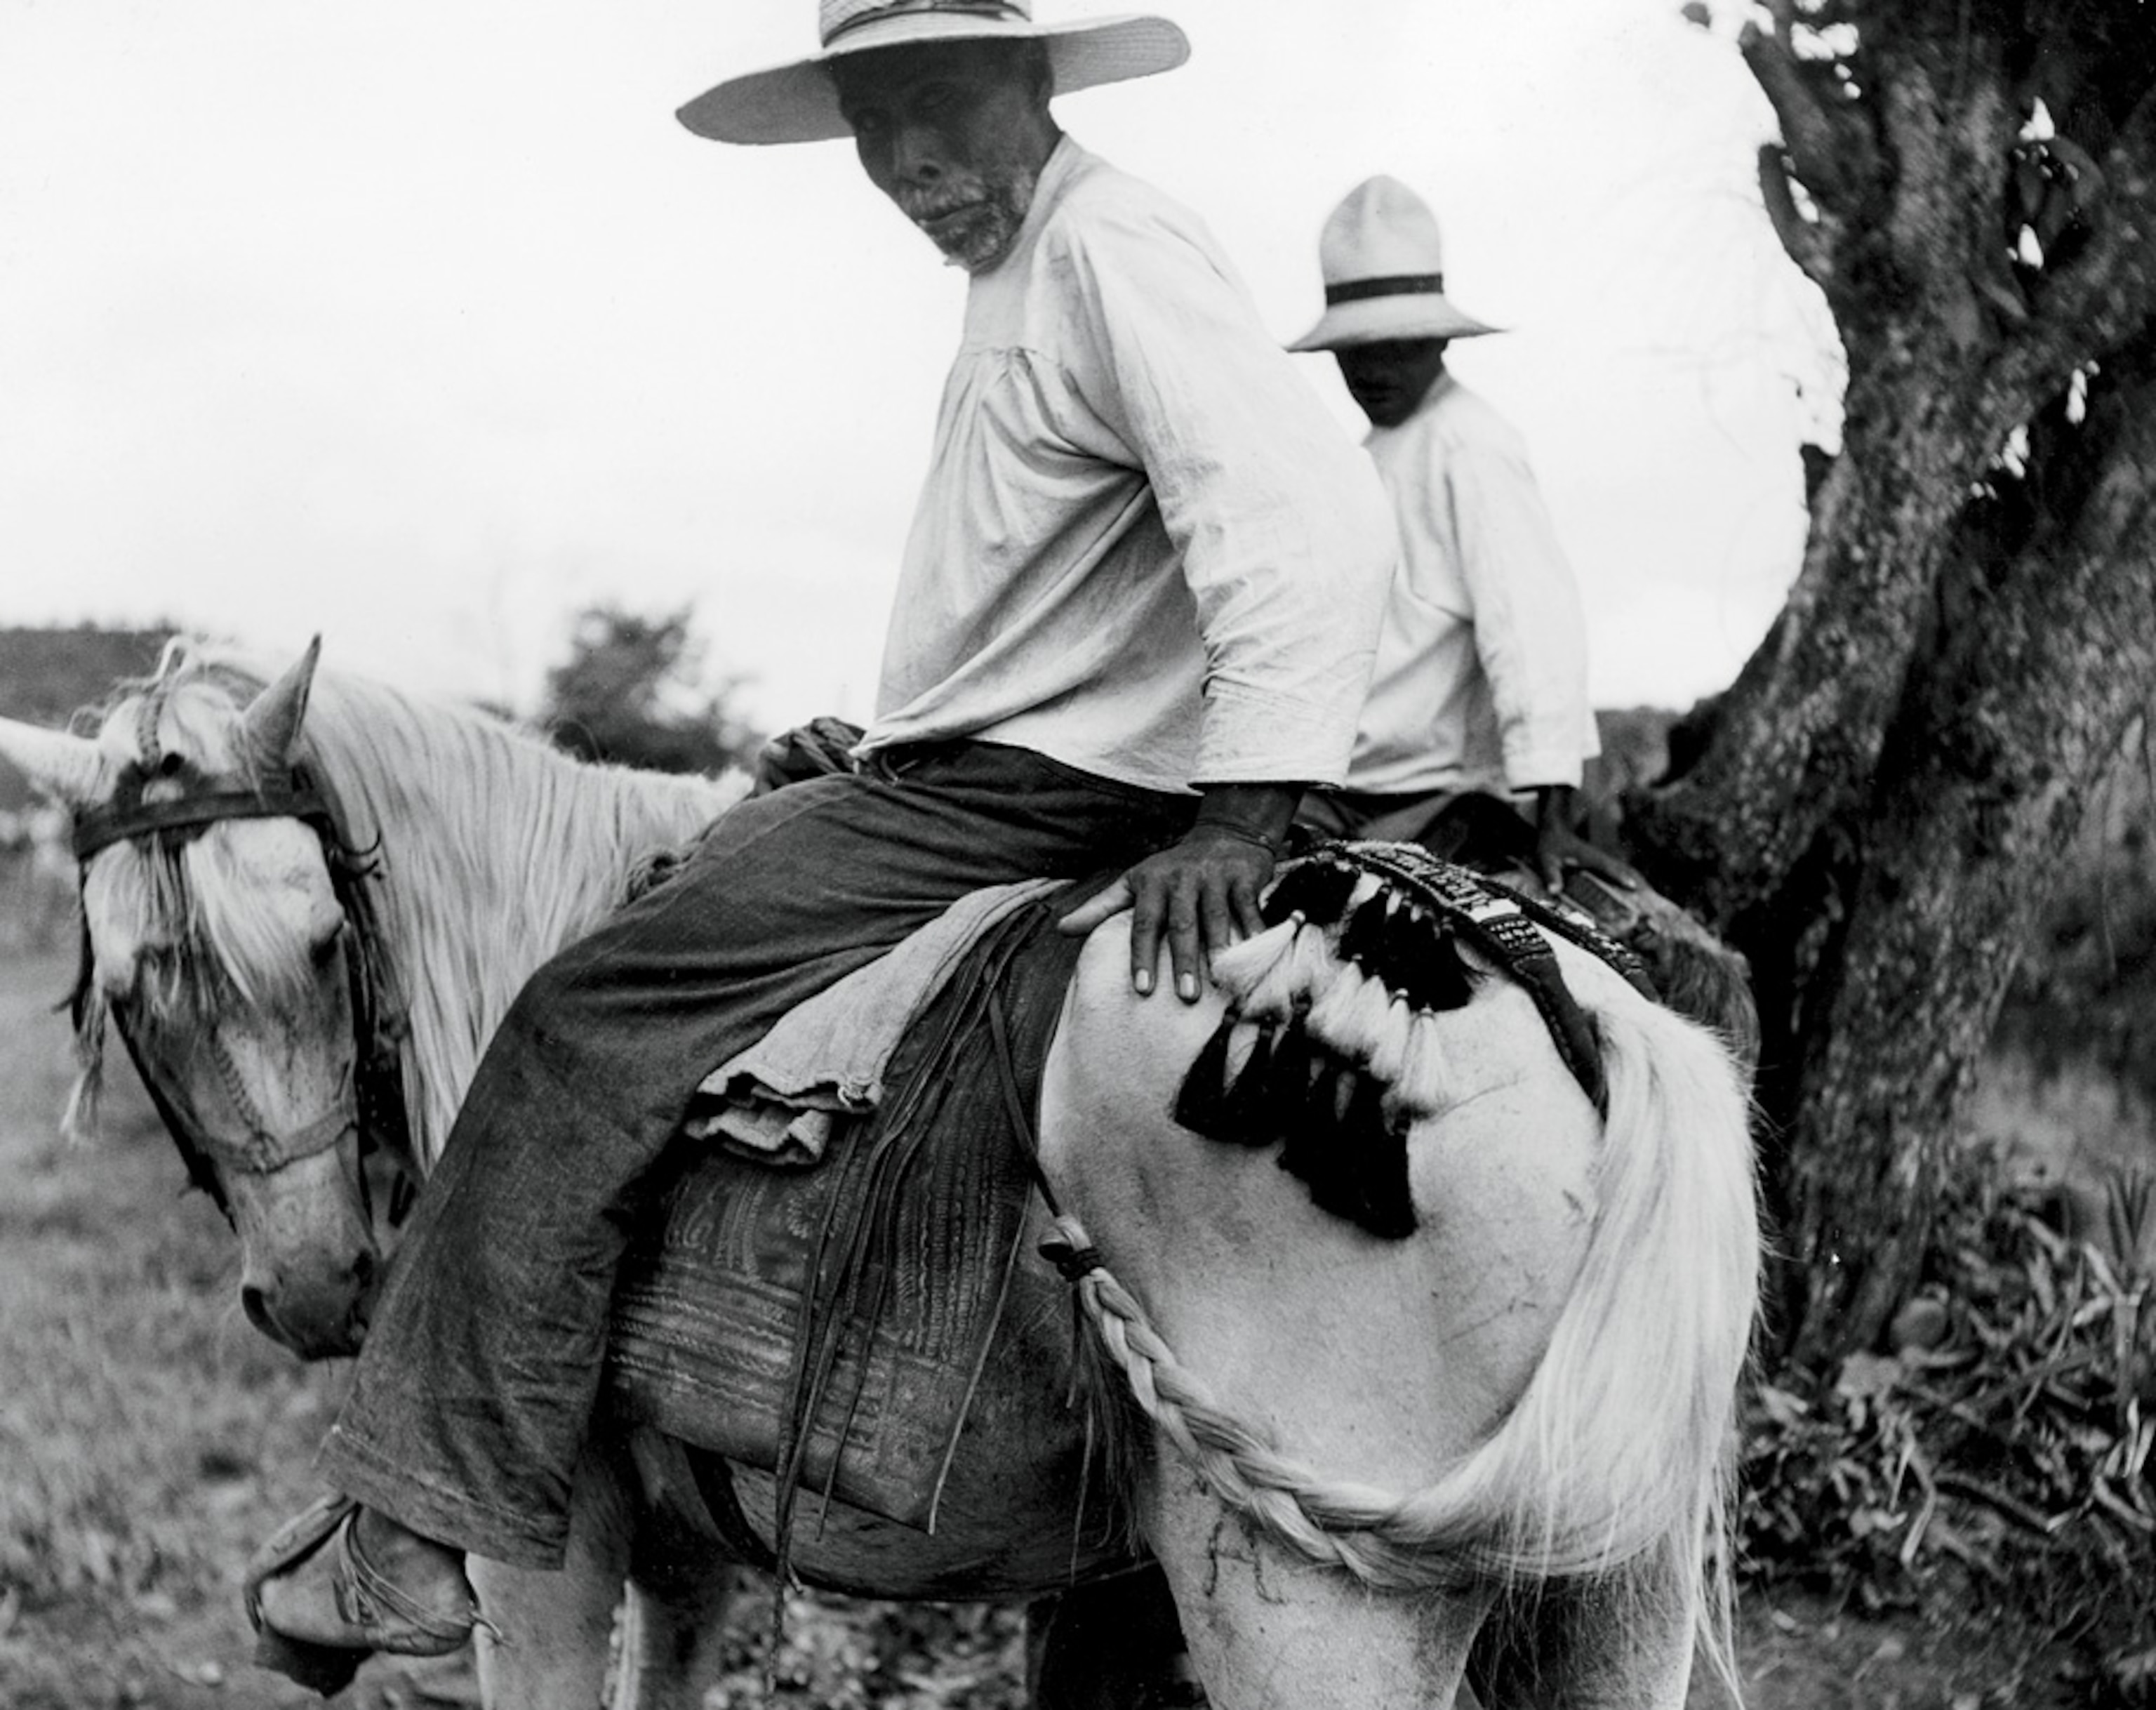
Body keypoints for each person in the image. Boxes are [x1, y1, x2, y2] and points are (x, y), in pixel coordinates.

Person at [247, 0, 1394, 1666]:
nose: (909, 166)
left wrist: (1243, 808)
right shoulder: (1037, 261)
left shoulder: (1109, 248)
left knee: (584, 1017)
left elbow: (1301, 519)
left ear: (1027, 83)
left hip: (1013, 797)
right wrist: (901, 728)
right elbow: (1065, 597)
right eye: (875, 130)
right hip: (980, 761)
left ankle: (420, 1516)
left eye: (939, 108)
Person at [1286, 175, 1632, 896]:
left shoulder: (1467, 444)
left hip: (1422, 795)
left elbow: (1532, 625)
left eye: (1399, 346)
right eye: (1356, 349)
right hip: (1338, 783)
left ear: (1440, 337)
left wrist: (1552, 812)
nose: (1374, 368)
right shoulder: (1374, 452)